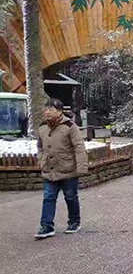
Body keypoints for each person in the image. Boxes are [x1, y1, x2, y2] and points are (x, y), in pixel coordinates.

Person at [34, 98, 87, 239]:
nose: (47, 112)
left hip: (68, 169)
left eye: (51, 109)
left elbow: (79, 147)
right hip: (49, 170)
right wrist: (41, 159)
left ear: (60, 111)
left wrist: (81, 167)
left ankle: (74, 222)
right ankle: (46, 226)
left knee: (70, 196)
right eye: (46, 109)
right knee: (48, 197)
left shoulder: (70, 126)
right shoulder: (42, 127)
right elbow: (39, 146)